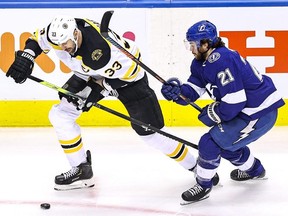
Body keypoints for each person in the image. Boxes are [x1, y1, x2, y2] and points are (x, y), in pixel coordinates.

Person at [6, 15, 204, 191]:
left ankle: (197, 167)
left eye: (66, 44)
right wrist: (27, 56)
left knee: (151, 135)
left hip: (128, 80)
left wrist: (88, 96)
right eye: (60, 45)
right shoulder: (59, 34)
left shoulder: (100, 52)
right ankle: (81, 169)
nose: (63, 49)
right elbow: (37, 40)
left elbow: (118, 78)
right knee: (61, 114)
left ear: (75, 34)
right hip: (90, 73)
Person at [161, 20, 285, 204]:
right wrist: (177, 93)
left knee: (210, 142)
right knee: (224, 144)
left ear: (206, 44)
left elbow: (235, 101)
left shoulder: (221, 59)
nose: (191, 49)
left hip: (259, 113)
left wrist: (214, 113)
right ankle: (255, 170)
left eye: (193, 45)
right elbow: (193, 91)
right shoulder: (200, 63)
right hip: (248, 111)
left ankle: (203, 185)